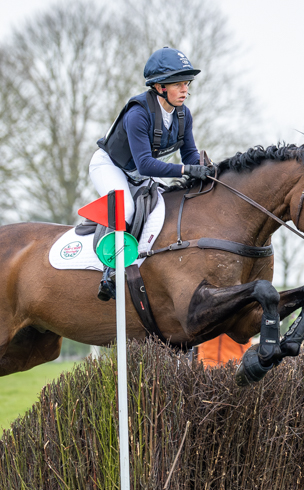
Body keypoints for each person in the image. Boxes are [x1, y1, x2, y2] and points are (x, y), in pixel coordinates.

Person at [90, 46, 214, 300]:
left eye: (186, 83)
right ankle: (109, 272)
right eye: (178, 84)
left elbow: (189, 155)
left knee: (165, 207)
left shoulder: (183, 114)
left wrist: (204, 170)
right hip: (110, 166)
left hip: (141, 170)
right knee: (125, 208)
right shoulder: (138, 113)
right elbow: (146, 164)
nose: (185, 89)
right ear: (160, 87)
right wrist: (186, 170)